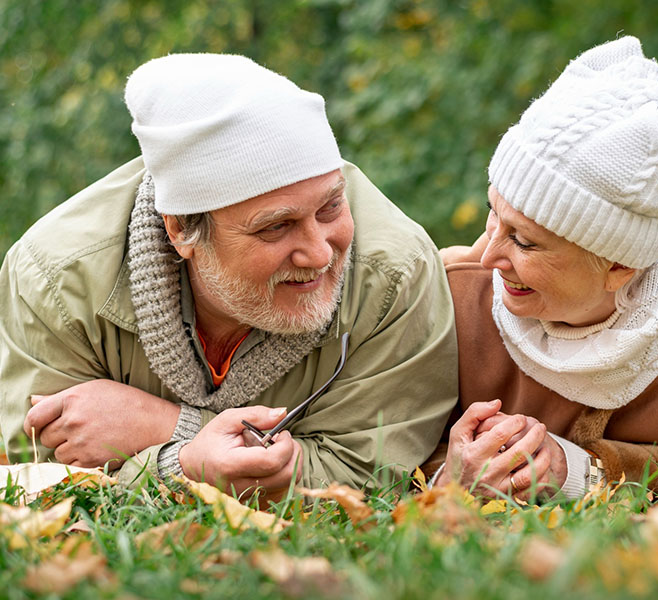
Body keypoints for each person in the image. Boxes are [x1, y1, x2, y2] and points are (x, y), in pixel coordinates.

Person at [0, 53, 458, 502]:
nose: (320, 252)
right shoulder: (57, 279)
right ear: (181, 230)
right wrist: (192, 460)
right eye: (276, 227)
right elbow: (37, 478)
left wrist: (170, 436)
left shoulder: (396, 273)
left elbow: (368, 479)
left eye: (331, 207)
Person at [428, 36, 658, 499]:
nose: (489, 257)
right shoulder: (446, 293)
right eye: (493, 213)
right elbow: (376, 456)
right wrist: (450, 477)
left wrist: (584, 474)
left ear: (621, 266)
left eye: (524, 241)